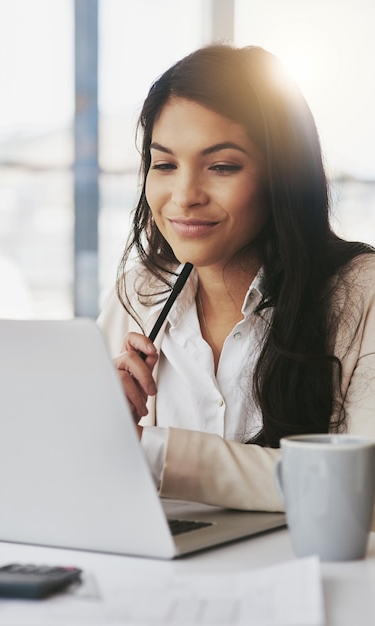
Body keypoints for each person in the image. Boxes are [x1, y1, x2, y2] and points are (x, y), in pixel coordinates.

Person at [98, 43, 375, 512]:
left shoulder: (360, 293)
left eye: (222, 166)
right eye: (164, 164)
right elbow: (86, 469)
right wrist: (100, 425)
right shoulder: (138, 294)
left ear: (281, 176)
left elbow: (358, 486)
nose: (185, 196)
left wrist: (147, 450)